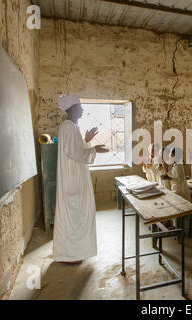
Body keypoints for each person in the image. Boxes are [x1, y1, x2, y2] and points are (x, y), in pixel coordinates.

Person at [53, 94, 109, 264]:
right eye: (80, 106)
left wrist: (86, 140)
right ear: (72, 109)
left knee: (76, 215)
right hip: (73, 181)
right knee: (74, 215)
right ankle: (71, 255)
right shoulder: (68, 127)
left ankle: (74, 253)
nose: (83, 109)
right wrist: (94, 150)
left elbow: (75, 149)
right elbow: (75, 153)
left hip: (75, 178)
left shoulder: (72, 127)